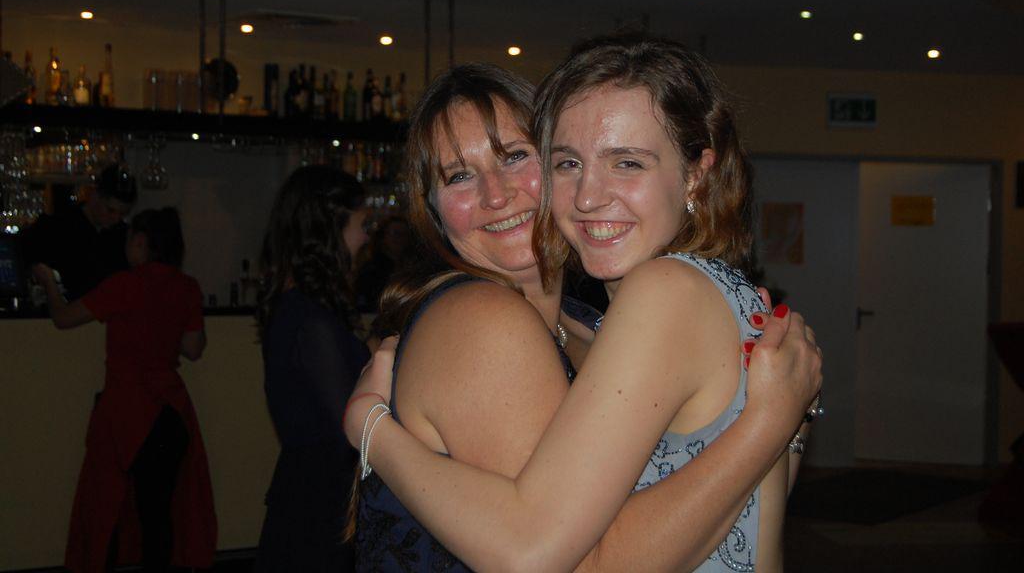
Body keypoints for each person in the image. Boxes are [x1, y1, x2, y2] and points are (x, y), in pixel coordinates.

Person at [344, 60, 821, 571]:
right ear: (434, 212)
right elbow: (568, 562)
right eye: (459, 176)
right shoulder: (482, 318)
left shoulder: (588, 326)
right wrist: (767, 425)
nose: (495, 194)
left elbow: (730, 516)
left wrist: (780, 421)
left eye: (515, 156)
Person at [33, 207, 216, 573]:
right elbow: (193, 348)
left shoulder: (125, 284)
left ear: (142, 243)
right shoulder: (186, 287)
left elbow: (63, 318)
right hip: (169, 410)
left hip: (126, 410)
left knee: (108, 508)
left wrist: (48, 282)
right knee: (159, 513)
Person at [254, 165, 371, 572]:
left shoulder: (303, 308)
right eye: (360, 225)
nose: (365, 238)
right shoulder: (310, 318)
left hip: (311, 488)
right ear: (331, 228)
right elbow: (349, 424)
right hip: (320, 498)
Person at [24, 163, 137, 300]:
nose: (116, 218)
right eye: (110, 210)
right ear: (94, 195)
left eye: (123, 214)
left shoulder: (124, 236)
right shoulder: (59, 226)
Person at [354, 215, 413, 313]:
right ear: (383, 237)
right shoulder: (371, 269)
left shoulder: (413, 266)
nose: (399, 238)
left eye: (404, 234)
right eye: (395, 233)